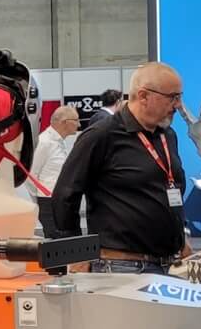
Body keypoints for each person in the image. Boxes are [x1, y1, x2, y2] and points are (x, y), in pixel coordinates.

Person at [50, 63, 189, 273]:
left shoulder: (167, 135)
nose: (178, 105)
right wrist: (75, 253)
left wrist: (180, 236)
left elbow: (172, 188)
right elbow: (65, 195)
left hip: (168, 264)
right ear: (143, 96)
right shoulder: (102, 135)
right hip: (121, 267)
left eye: (179, 97)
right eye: (172, 97)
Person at [30, 105, 80, 233]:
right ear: (64, 122)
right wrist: (41, 198)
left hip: (61, 201)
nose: (79, 124)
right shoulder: (44, 142)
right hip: (49, 203)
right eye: (76, 120)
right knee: (57, 241)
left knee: (71, 238)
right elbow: (30, 175)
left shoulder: (59, 142)